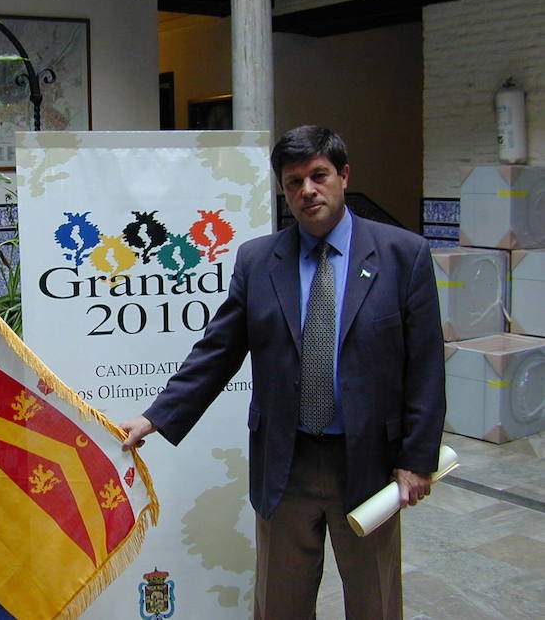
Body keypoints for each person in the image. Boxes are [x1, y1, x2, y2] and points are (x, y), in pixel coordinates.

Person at [120, 125, 445, 619]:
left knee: (374, 600)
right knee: (280, 604)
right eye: (294, 182)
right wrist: (155, 418)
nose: (307, 191)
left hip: (369, 460)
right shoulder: (258, 260)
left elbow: (424, 367)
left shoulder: (404, 256)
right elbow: (218, 350)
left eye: (318, 176)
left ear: (343, 176)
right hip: (285, 461)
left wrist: (417, 459)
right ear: (283, 190)